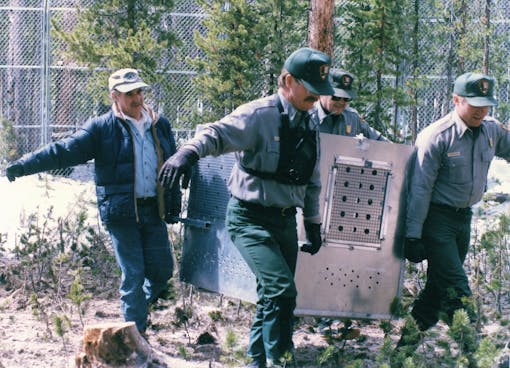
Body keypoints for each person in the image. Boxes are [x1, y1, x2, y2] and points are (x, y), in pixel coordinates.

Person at [158, 47, 334, 368]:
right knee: (282, 292)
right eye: (311, 89)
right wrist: (187, 153)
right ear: (289, 81)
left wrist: (312, 223)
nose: (317, 98)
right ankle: (282, 362)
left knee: (271, 297)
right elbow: (216, 133)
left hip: (285, 222)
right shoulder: (259, 115)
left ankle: (255, 362)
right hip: (249, 220)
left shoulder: (309, 122)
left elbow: (313, 178)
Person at [5, 68, 181, 333]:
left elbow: (173, 165)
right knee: (133, 276)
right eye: (128, 93)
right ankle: (136, 338)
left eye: (139, 92)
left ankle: (132, 323)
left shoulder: (160, 124)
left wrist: (173, 204)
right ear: (114, 96)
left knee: (161, 271)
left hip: (153, 210)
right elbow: (63, 151)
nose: (136, 98)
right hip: (122, 213)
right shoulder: (101, 128)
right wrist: (23, 165)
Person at [399, 72, 510, 352]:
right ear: (456, 100)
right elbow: (419, 189)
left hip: (463, 220)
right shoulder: (436, 137)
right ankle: (480, 354)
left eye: (486, 105)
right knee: (458, 289)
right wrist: (413, 235)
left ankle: (400, 354)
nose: (481, 111)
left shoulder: (491, 130)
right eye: (474, 105)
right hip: (437, 222)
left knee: (436, 293)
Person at [314, 68, 388, 141]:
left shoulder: (352, 118)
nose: (341, 102)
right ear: (323, 92)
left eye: (346, 98)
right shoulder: (309, 118)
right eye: (336, 97)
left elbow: (379, 140)